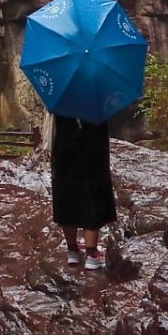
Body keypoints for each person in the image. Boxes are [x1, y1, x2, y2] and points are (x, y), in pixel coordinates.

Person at [49, 111, 116, 272]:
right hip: (92, 150)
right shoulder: (95, 96)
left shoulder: (60, 94)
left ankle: (73, 250)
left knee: (67, 192)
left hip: (64, 149)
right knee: (93, 192)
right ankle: (92, 254)